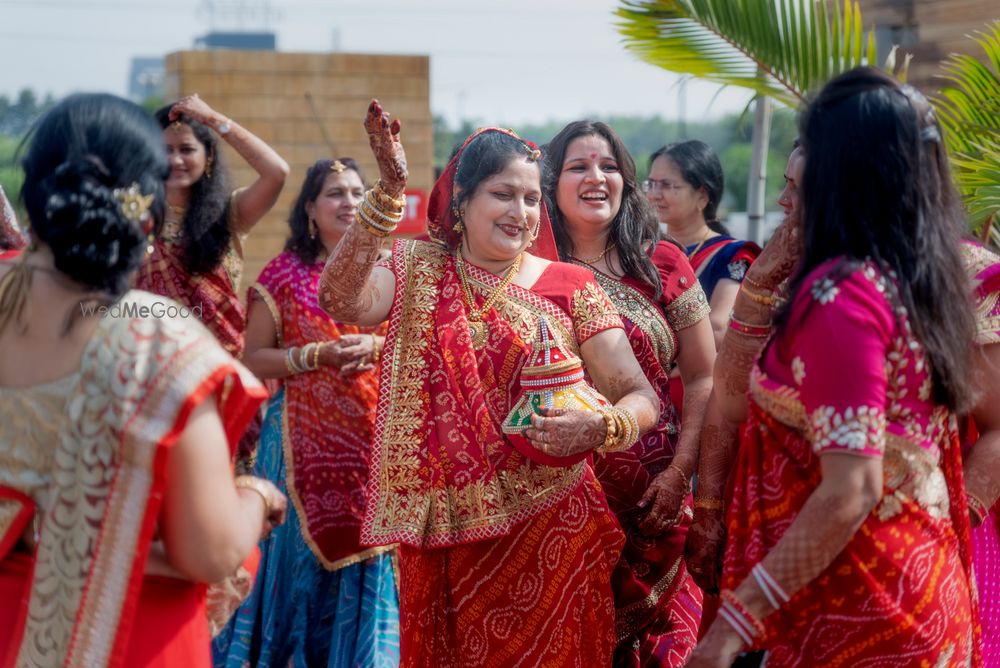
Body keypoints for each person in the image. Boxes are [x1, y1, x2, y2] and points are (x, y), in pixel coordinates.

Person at [319, 101, 661, 667]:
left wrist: (602, 424)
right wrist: (388, 192)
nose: (521, 212)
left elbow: (641, 394)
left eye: (531, 199)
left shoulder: (570, 285)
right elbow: (340, 298)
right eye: (503, 194)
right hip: (449, 537)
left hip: (553, 528)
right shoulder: (415, 268)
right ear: (462, 201)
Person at [687, 67, 980, 667]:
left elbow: (852, 487)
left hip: (860, 606)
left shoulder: (841, 297)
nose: (784, 195)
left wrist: (731, 626)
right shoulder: (911, 281)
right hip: (921, 588)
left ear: (839, 173)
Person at [0, 93, 286, 668]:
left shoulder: (218, 225)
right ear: (144, 210)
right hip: (129, 635)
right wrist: (257, 496)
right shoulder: (158, 345)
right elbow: (209, 552)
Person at [213, 158, 399, 667]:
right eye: (335, 193)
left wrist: (377, 345)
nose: (350, 203)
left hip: (375, 445)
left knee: (377, 556)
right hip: (299, 452)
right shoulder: (285, 274)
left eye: (359, 193)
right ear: (311, 210)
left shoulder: (392, 270)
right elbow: (253, 357)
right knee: (295, 570)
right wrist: (319, 355)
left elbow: (421, 344)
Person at [544, 120, 715, 666]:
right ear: (551, 183)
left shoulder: (663, 264)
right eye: (578, 166)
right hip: (552, 503)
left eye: (609, 166)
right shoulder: (528, 269)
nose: (596, 177)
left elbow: (704, 377)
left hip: (654, 505)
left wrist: (678, 474)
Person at [136, 94, 289, 357]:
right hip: (149, 363)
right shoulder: (134, 219)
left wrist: (213, 119)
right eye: (165, 150)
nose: (175, 160)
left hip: (218, 365)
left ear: (208, 157)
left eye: (186, 149)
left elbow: (276, 172)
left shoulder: (229, 214)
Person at [645, 141, 760, 349]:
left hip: (692, 379)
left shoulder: (731, 255)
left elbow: (718, 329)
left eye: (667, 185)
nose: (654, 194)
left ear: (702, 195)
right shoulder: (644, 253)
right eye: (651, 184)